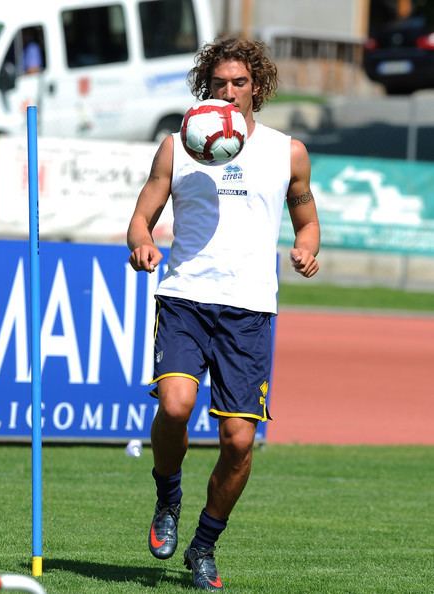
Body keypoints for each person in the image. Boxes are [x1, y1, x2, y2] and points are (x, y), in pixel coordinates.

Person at [127, 37, 320, 592]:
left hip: (250, 310)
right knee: (176, 402)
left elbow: (307, 220)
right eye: (220, 83)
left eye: (239, 82)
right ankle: (168, 498)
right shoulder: (178, 145)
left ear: (256, 85)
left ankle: (204, 545)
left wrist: (307, 248)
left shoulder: (288, 152)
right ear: (206, 87)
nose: (230, 92)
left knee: (238, 441)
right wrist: (141, 245)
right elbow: (141, 217)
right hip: (186, 296)